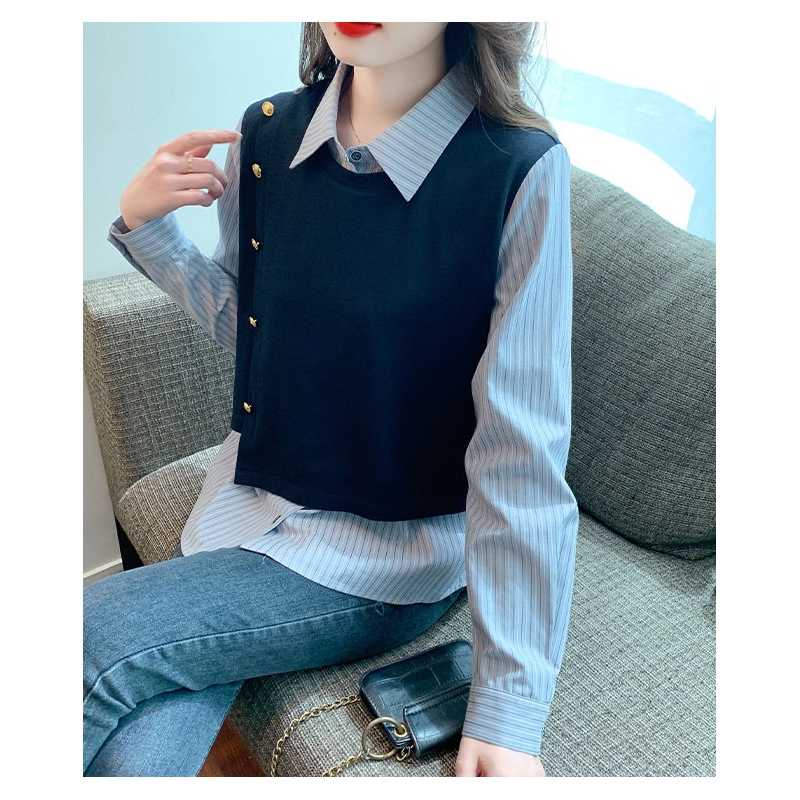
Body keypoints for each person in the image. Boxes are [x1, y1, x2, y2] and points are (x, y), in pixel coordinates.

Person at [84, 21, 579, 777]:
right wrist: (153, 231)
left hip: (386, 552)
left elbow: (520, 449)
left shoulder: (515, 169)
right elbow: (263, 333)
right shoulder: (268, 135)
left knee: (86, 639)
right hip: (249, 496)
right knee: (133, 755)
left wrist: (510, 707)